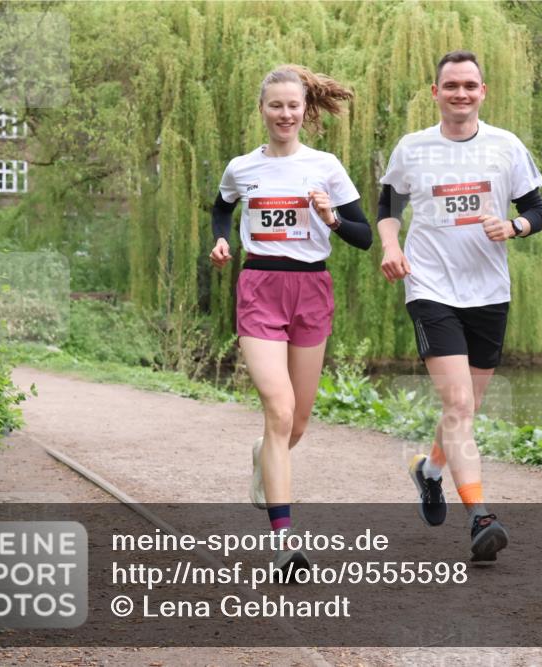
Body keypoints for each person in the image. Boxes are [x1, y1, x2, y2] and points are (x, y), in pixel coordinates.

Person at [377, 51, 542, 562]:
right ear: (435, 93)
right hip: (430, 287)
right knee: (458, 406)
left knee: (466, 408)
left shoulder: (506, 146)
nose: (460, 94)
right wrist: (391, 246)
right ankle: (480, 516)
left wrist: (514, 227)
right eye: (451, 85)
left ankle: (429, 472)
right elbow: (388, 206)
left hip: (489, 292)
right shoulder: (413, 148)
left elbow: (537, 211)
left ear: (483, 91)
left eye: (470, 85)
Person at [209, 65, 372, 571]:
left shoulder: (325, 165)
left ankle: (265, 454)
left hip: (311, 289)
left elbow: (364, 236)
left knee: (296, 421)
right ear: (262, 109)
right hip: (259, 286)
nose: (284, 114)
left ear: (305, 110)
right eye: (275, 105)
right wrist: (219, 238)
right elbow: (220, 207)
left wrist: (332, 218)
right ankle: (283, 541)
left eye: (292, 105)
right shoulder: (242, 167)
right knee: (279, 409)